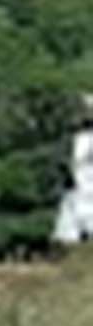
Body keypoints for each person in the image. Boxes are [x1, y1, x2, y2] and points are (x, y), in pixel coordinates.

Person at [54, 96, 93, 248]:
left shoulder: (86, 138)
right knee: (75, 213)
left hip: (86, 182)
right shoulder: (79, 137)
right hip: (80, 183)